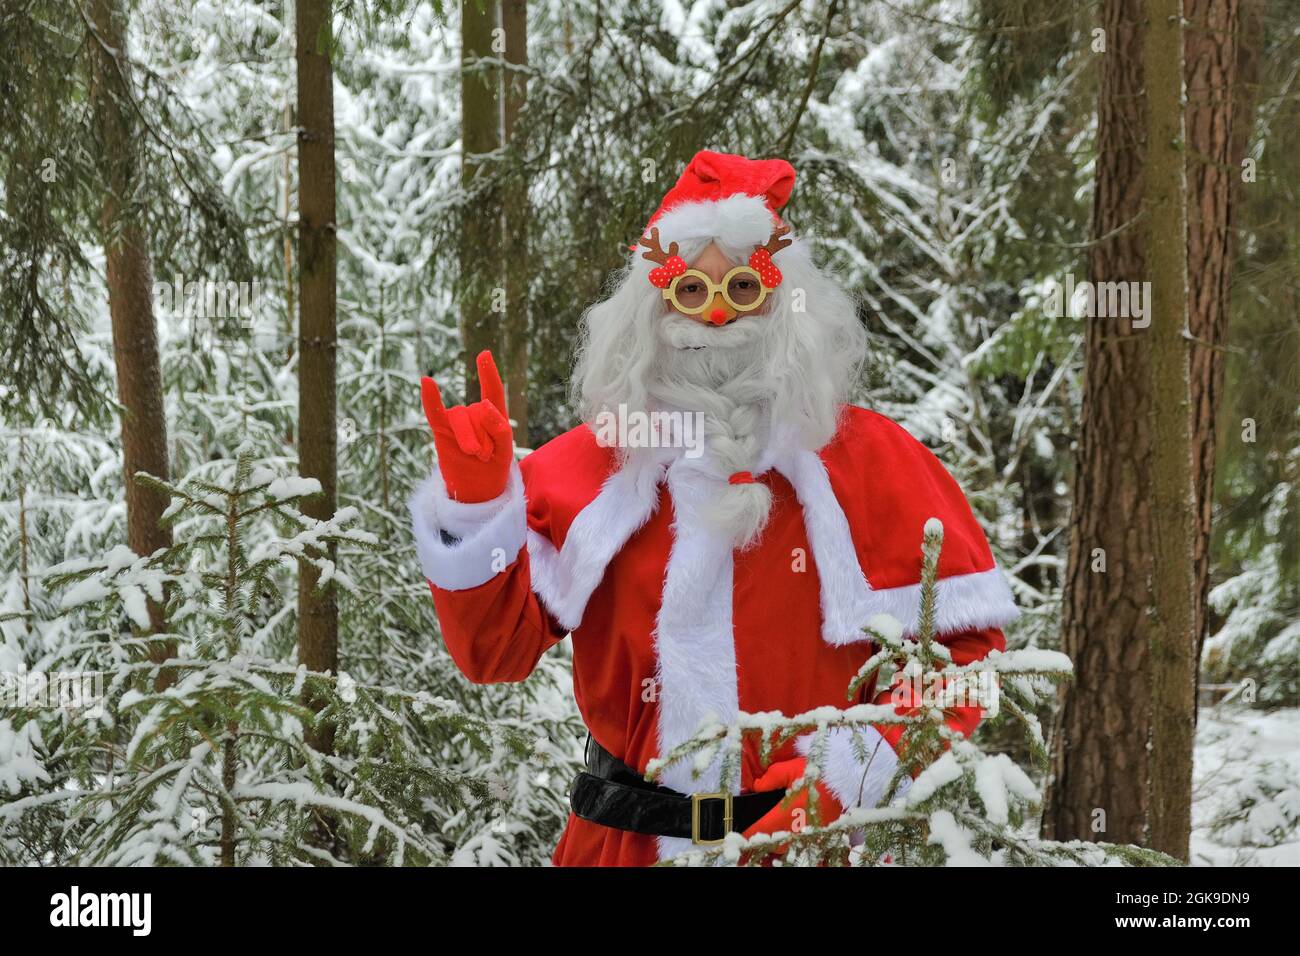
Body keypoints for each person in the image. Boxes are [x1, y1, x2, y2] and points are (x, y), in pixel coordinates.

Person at [409, 149, 1018, 865]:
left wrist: (847, 776)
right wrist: (479, 505)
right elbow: (494, 653)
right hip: (627, 845)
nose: (720, 310)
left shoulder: (872, 461)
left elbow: (966, 662)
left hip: (817, 846)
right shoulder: (597, 463)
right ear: (653, 305)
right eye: (691, 290)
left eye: (743, 286)